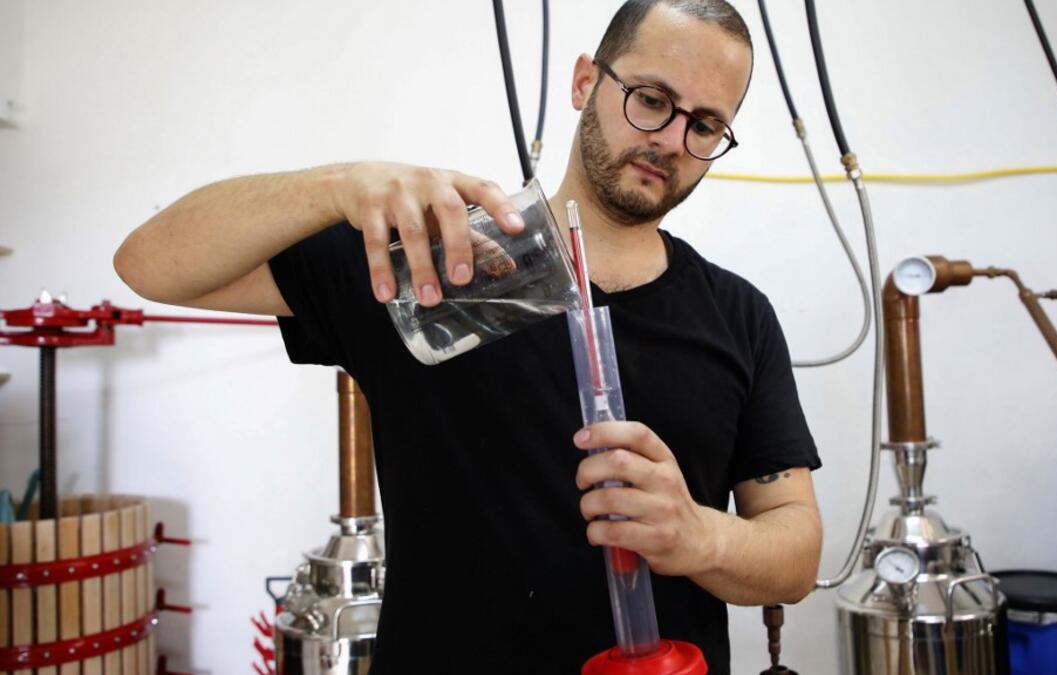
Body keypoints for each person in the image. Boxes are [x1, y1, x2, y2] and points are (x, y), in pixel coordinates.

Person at [115, 1, 822, 672]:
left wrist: (701, 535)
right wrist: (338, 187)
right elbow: (150, 263)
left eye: (704, 125)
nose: (670, 140)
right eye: (652, 99)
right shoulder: (439, 267)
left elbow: (794, 553)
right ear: (586, 82)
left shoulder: (738, 314)